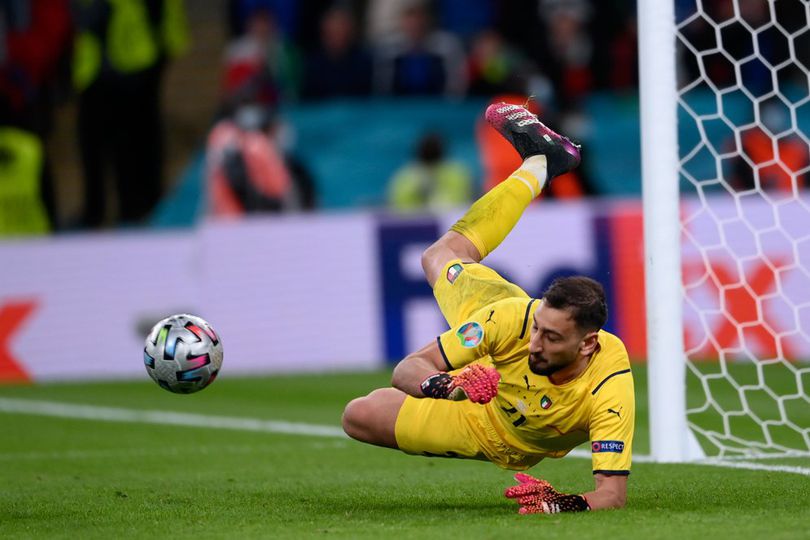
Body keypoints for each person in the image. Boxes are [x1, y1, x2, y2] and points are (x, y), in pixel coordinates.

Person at [342, 102, 634, 514]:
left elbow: (612, 496)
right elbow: (407, 369)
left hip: (496, 433)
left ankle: (542, 163)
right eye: (539, 328)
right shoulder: (513, 321)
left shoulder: (609, 382)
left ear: (587, 345)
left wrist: (562, 504)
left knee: (361, 414)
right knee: (438, 258)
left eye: (551, 338)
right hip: (477, 395)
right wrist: (446, 386)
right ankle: (540, 166)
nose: (537, 344)